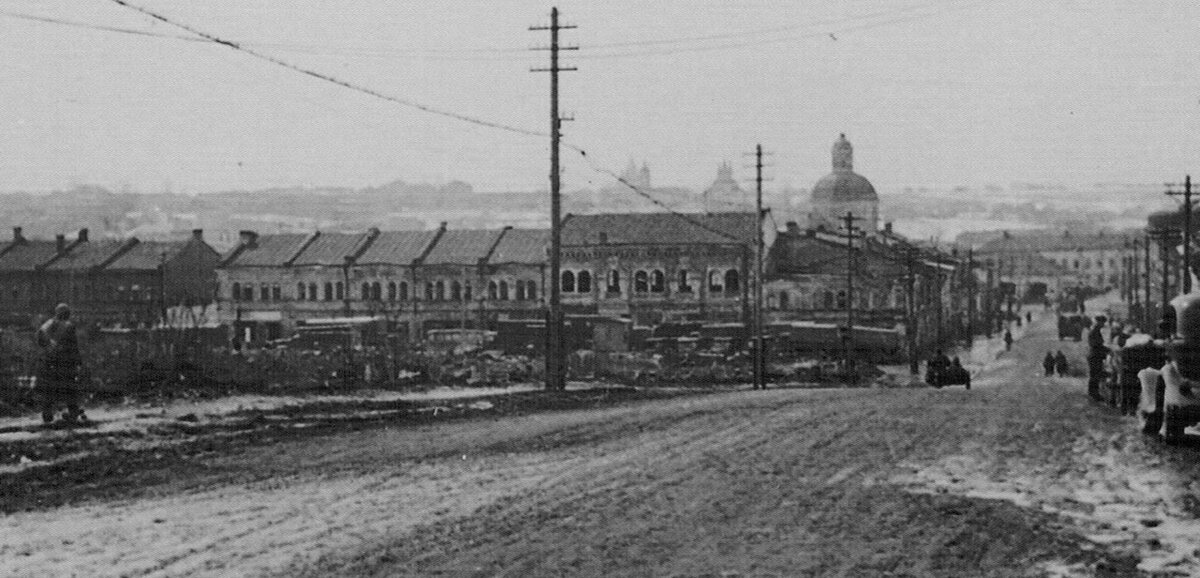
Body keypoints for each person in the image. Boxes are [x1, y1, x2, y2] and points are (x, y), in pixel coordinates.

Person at [35, 303, 85, 425]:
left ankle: (47, 415)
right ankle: (73, 414)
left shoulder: (48, 324)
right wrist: (78, 362)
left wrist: (47, 350)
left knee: (50, 389)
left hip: (50, 362)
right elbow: (73, 346)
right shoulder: (69, 326)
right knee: (70, 388)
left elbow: (39, 337)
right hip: (65, 363)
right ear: (67, 314)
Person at [1086, 315, 1109, 400]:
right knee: (1095, 375)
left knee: (1095, 375)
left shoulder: (1096, 330)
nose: (1103, 324)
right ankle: (1094, 394)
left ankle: (1092, 392)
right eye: (1102, 322)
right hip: (1095, 356)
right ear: (1099, 322)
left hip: (1095, 355)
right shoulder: (1094, 331)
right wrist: (1107, 349)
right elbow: (1095, 345)